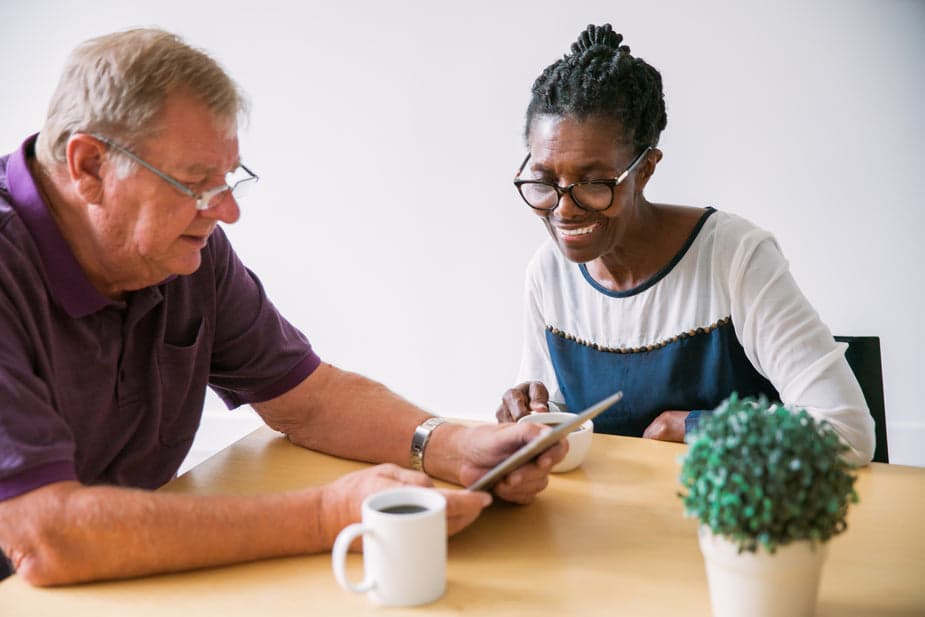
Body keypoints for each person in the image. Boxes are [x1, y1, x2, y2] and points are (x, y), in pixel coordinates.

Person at [0, 28, 566, 587]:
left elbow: (308, 399)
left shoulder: (179, 250)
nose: (225, 213)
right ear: (90, 166)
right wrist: (327, 516)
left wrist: (455, 446)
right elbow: (47, 536)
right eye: (196, 184)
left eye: (227, 181)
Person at [494, 24, 875, 466]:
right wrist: (531, 411)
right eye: (544, 181)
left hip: (734, 524)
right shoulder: (549, 272)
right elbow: (558, 416)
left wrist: (697, 427)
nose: (563, 210)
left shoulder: (734, 257)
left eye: (594, 183)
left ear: (646, 169)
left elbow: (846, 430)